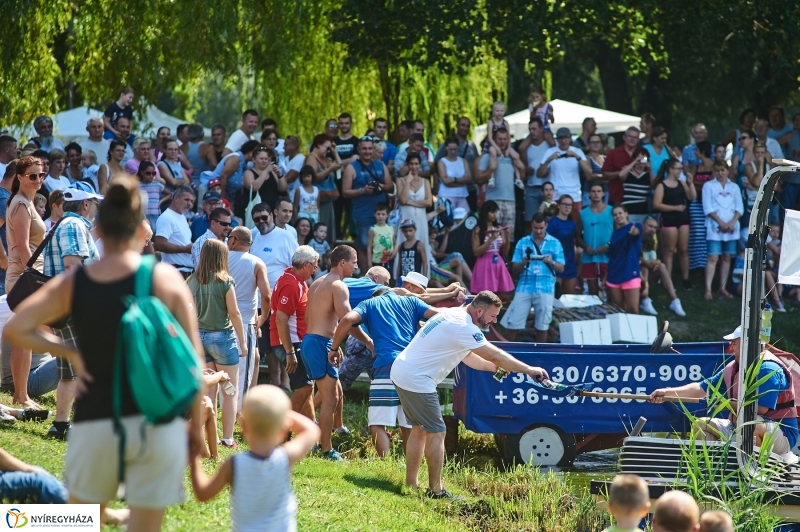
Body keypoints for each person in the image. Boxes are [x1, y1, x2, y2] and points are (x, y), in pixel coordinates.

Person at [3, 175, 205, 530]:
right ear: (142, 227)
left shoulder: (75, 281)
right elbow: (194, 363)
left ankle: (20, 522)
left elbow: (16, 327)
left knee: (82, 523)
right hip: (156, 423)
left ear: (98, 227)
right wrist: (196, 429)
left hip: (96, 420)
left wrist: (70, 351)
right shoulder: (165, 279)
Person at [391, 291, 549, 498]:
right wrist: (528, 369)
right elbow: (495, 354)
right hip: (417, 379)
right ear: (479, 311)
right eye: (492, 316)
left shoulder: (452, 314)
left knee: (419, 430)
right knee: (437, 432)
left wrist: (495, 369)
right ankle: (435, 491)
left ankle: (411, 484)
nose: (494, 321)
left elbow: (468, 357)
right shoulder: (464, 327)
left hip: (402, 372)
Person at [650, 325, 799, 460]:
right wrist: (666, 393)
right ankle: (710, 475)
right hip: (739, 427)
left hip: (781, 434)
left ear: (750, 343)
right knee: (700, 424)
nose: (731, 343)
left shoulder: (768, 369)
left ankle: (753, 475)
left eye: (736, 340)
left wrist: (725, 403)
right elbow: (701, 388)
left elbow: (759, 408)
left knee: (751, 425)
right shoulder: (733, 367)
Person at [189, 385, 319, 532]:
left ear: (243, 427)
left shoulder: (233, 464)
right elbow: (312, 430)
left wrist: (194, 456)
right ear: (283, 431)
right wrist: (280, 414)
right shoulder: (284, 458)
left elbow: (203, 494)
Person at [331, 285, 438, 457]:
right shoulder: (411, 301)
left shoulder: (371, 303)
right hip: (412, 367)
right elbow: (440, 316)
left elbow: (347, 319)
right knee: (409, 422)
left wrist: (334, 348)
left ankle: (384, 464)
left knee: (377, 423)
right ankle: (411, 467)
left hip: (386, 366)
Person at [42, 184, 103, 440]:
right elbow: (73, 266)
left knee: (70, 371)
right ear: (85, 204)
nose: (97, 207)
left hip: (64, 305)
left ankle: (61, 425)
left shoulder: (65, 224)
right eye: (94, 202)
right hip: (73, 306)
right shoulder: (75, 226)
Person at [302, 245, 361, 460]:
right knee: (329, 399)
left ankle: (321, 439)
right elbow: (348, 321)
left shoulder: (317, 282)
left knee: (334, 394)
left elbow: (311, 319)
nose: (357, 266)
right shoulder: (338, 285)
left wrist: (333, 344)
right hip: (319, 343)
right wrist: (370, 341)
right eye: (354, 261)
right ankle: (325, 449)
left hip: (311, 341)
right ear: (343, 263)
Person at [188, 239, 247, 449]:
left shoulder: (192, 280)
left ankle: (206, 436)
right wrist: (243, 341)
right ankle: (228, 438)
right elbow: (234, 312)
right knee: (229, 390)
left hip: (199, 338)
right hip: (222, 338)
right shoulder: (226, 281)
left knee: (208, 390)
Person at [6, 157, 47, 408]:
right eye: (33, 175)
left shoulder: (26, 202)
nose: (38, 180)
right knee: (26, 335)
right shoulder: (21, 204)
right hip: (23, 277)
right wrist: (33, 277)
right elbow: (22, 247)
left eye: (41, 175)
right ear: (20, 177)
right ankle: (21, 395)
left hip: (25, 276)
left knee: (26, 335)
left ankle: (21, 394)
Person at [270, 246, 318, 419]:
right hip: (290, 343)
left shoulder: (294, 279)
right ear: (306, 264)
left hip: (293, 341)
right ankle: (281, 429)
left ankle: (311, 430)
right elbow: (281, 319)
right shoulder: (291, 284)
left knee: (306, 387)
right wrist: (290, 352)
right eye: (314, 266)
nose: (315, 270)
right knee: (305, 387)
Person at [501, 213, 565, 342]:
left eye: (541, 228)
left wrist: (551, 262)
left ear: (546, 226)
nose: (538, 231)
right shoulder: (522, 242)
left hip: (545, 287)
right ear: (531, 225)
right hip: (524, 286)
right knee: (513, 322)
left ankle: (540, 357)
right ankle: (506, 355)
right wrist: (523, 262)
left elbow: (561, 268)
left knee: (542, 325)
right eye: (535, 228)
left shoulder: (555, 243)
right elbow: (514, 269)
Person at [227, 226, 271, 409]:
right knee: (243, 370)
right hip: (244, 323)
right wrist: (261, 319)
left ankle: (226, 408)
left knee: (224, 368)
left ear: (234, 239)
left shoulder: (220, 259)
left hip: (220, 321)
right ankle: (238, 412)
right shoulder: (257, 262)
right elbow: (266, 296)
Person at [342, 136, 393, 269]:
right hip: (362, 214)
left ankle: (382, 274)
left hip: (381, 213)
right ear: (359, 149)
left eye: (370, 148)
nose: (367, 151)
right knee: (365, 246)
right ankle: (367, 276)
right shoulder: (351, 167)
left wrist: (380, 186)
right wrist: (362, 191)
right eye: (364, 148)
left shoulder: (380, 165)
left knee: (382, 245)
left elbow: (391, 186)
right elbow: (345, 192)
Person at [653, 158, 696, 289]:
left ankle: (685, 278)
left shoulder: (682, 183)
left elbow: (692, 197)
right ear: (671, 169)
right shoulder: (662, 185)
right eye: (678, 168)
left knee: (683, 250)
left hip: (683, 219)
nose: (680, 171)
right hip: (669, 219)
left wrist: (691, 183)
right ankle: (668, 279)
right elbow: (657, 204)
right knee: (669, 251)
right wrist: (674, 208)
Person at [702, 161, 742, 300]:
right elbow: (707, 207)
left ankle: (722, 287)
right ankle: (708, 288)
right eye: (718, 170)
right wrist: (720, 222)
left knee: (726, 257)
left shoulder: (734, 187)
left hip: (731, 226)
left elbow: (739, 207)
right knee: (713, 257)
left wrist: (731, 222)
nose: (720, 173)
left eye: (723, 170)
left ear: (727, 171)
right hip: (715, 226)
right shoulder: (708, 186)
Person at [475, 128, 525, 239]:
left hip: (510, 201)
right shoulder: (487, 157)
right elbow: (478, 179)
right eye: (500, 139)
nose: (502, 141)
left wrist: (522, 169)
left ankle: (505, 257)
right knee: (491, 235)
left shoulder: (512, 157)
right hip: (493, 200)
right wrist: (491, 169)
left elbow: (522, 178)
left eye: (505, 139)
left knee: (508, 237)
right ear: (494, 140)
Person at [537, 127, 592, 217]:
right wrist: (548, 160)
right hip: (556, 197)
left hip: (574, 196)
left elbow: (589, 172)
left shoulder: (577, 151)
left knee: (574, 226)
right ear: (557, 139)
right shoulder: (550, 152)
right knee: (555, 226)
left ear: (570, 138)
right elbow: (539, 174)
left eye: (566, 138)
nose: (563, 141)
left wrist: (576, 157)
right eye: (561, 138)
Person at [639, 216, 686, 317]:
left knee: (662, 266)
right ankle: (644, 300)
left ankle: (674, 300)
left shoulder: (653, 239)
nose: (652, 229)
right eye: (650, 226)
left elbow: (654, 257)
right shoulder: (635, 238)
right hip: (634, 275)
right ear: (643, 226)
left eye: (655, 227)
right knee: (645, 267)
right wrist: (647, 263)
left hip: (648, 274)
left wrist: (655, 264)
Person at [304, 134, 342, 244]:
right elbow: (313, 177)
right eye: (327, 148)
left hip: (328, 201)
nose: (328, 150)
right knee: (318, 232)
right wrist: (329, 170)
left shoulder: (326, 159)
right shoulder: (311, 158)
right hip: (316, 202)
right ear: (319, 145)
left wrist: (335, 152)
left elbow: (341, 167)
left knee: (328, 233)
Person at [577, 183, 614, 295]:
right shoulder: (582, 213)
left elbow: (619, 234)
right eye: (593, 191)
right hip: (589, 257)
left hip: (608, 256)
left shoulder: (612, 211)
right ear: (589, 194)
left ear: (603, 194)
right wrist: (585, 247)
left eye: (598, 191)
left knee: (610, 290)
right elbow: (577, 237)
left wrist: (607, 245)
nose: (596, 194)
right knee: (592, 291)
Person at [471, 200, 513, 294]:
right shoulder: (478, 230)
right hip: (484, 264)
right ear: (485, 213)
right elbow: (476, 252)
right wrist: (491, 239)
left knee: (498, 296)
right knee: (485, 295)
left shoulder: (498, 228)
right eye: (492, 212)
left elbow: (505, 251)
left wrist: (507, 236)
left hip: (498, 262)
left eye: (496, 212)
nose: (495, 215)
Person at [606, 206, 642, 314]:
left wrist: (634, 232)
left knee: (633, 310)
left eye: (620, 213)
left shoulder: (636, 226)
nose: (618, 216)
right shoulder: (614, 234)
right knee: (618, 311)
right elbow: (612, 256)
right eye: (615, 215)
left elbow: (637, 232)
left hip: (630, 272)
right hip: (613, 274)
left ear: (626, 214)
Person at [153, 185, 195, 277]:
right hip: (175, 272)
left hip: (185, 272)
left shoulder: (182, 217)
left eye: (192, 201)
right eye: (186, 200)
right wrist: (185, 249)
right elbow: (159, 244)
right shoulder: (167, 217)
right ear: (176, 198)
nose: (189, 204)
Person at [602, 126, 648, 205]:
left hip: (636, 199)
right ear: (624, 137)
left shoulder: (643, 153)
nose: (632, 139)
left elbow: (646, 168)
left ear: (638, 140)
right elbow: (605, 174)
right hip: (616, 196)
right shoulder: (613, 153)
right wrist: (621, 172)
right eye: (630, 136)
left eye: (635, 137)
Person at [517, 118, 551, 221]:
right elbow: (523, 166)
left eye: (534, 129)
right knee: (530, 220)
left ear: (541, 129)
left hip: (547, 186)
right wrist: (526, 169)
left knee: (549, 219)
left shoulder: (549, 144)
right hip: (531, 186)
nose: (531, 132)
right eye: (530, 129)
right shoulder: (526, 147)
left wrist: (549, 170)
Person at [395, 152, 431, 248]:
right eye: (411, 164)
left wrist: (410, 202)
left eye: (416, 164)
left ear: (419, 165)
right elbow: (402, 200)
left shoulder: (425, 181)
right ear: (407, 165)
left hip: (421, 219)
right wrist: (407, 182)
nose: (414, 167)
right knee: (403, 245)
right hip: (405, 218)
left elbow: (428, 202)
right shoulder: (400, 181)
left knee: (422, 245)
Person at [688, 141, 714, 271]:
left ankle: (705, 263)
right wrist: (702, 183)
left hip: (710, 204)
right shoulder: (695, 167)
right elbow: (691, 183)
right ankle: (695, 263)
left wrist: (697, 183)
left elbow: (711, 184)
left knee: (707, 233)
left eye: (696, 150)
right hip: (696, 202)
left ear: (702, 151)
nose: (695, 153)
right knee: (696, 232)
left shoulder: (714, 167)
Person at [547, 195, 579, 295]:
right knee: (555, 297)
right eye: (564, 204)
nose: (567, 207)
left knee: (569, 298)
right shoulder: (552, 223)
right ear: (558, 206)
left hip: (570, 264)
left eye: (570, 205)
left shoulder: (573, 224)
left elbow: (574, 243)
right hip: (556, 265)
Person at [244, 145, 286, 218]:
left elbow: (282, 188)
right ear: (254, 159)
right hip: (256, 212)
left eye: (266, 159)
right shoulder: (248, 173)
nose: (264, 161)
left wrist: (280, 175)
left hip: (272, 210)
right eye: (261, 158)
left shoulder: (272, 172)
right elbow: (253, 187)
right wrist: (266, 171)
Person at [436, 136, 472, 212]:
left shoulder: (463, 161)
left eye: (455, 149)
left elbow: (469, 178)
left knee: (464, 219)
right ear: (446, 148)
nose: (453, 152)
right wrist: (462, 182)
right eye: (451, 149)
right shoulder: (442, 162)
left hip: (462, 195)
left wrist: (453, 179)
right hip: (446, 195)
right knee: (448, 220)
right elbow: (446, 182)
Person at [620, 154, 653, 224]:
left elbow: (654, 184)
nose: (640, 162)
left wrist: (650, 169)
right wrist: (634, 162)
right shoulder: (628, 173)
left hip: (642, 211)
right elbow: (621, 175)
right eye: (639, 160)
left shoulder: (647, 175)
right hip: (627, 209)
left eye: (643, 160)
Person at [137, 161, 168, 231]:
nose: (151, 175)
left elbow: (169, 194)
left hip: (155, 214)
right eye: (148, 173)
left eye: (153, 173)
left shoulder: (158, 185)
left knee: (155, 233)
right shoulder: (137, 185)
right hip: (143, 215)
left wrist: (161, 201)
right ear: (142, 173)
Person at [367, 202, 394, 270]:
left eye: (383, 214)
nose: (380, 216)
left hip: (388, 260)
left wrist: (394, 252)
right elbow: (369, 247)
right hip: (376, 260)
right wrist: (369, 262)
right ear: (374, 214)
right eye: (378, 214)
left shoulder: (391, 228)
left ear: (387, 215)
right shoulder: (372, 229)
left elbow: (395, 244)